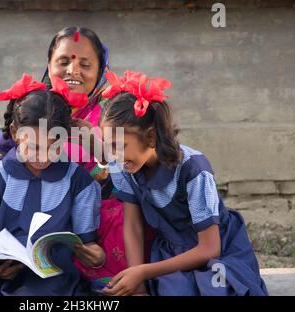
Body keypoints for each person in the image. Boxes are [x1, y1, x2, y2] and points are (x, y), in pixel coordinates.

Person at [99, 70, 268, 296]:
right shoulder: (124, 165)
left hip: (219, 251)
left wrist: (143, 272)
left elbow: (210, 248)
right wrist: (137, 284)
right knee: (174, 290)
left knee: (216, 289)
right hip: (171, 251)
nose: (113, 155)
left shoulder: (194, 170)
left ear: (150, 137)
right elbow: (133, 226)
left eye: (119, 146)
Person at [0, 74, 104, 296]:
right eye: (34, 147)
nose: (43, 157)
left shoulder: (80, 183)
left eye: (53, 147)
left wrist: (96, 256)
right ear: (16, 134)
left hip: (53, 277)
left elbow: (88, 244)